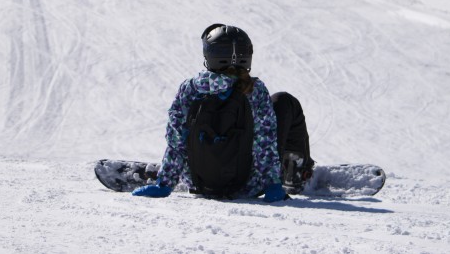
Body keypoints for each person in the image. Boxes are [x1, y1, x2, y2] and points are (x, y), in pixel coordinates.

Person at [132, 23, 314, 202]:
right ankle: (294, 171)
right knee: (284, 102)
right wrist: (272, 184)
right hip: (248, 185)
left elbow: (177, 140)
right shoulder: (254, 90)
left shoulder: (190, 88)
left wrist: (164, 183)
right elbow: (264, 142)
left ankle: (175, 175)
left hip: (199, 183)